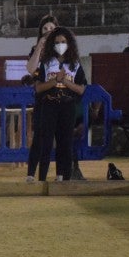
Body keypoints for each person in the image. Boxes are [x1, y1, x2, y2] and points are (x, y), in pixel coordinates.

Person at [32, 27, 87, 182]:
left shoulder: (75, 64)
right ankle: (42, 179)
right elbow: (38, 87)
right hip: (49, 105)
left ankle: (63, 178)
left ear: (69, 43)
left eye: (63, 42)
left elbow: (81, 89)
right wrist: (55, 80)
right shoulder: (46, 63)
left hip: (68, 106)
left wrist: (65, 81)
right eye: (57, 42)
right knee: (46, 143)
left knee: (66, 143)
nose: (60, 45)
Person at [25, 15, 58, 183]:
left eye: (51, 28)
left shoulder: (62, 49)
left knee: (51, 139)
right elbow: (31, 69)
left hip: (58, 96)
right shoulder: (36, 48)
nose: (48, 31)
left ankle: (44, 176)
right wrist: (39, 46)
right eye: (45, 28)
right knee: (38, 136)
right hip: (41, 96)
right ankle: (31, 174)